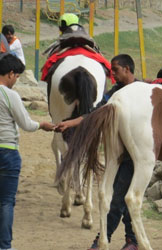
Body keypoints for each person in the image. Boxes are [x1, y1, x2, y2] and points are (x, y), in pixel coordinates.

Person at [55, 54, 138, 250]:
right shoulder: (114, 93)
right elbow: (94, 113)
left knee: (118, 198)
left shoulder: (141, 92)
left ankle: (103, 240)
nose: (112, 75)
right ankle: (130, 240)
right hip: (119, 154)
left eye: (115, 70)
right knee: (124, 198)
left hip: (134, 155)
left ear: (127, 69)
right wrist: (70, 123)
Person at [0, 53, 54, 250]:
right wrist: (42, 125)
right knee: (6, 202)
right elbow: (26, 124)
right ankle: (4, 245)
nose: (16, 81)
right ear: (11, 74)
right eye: (17, 77)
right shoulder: (10, 94)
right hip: (7, 151)